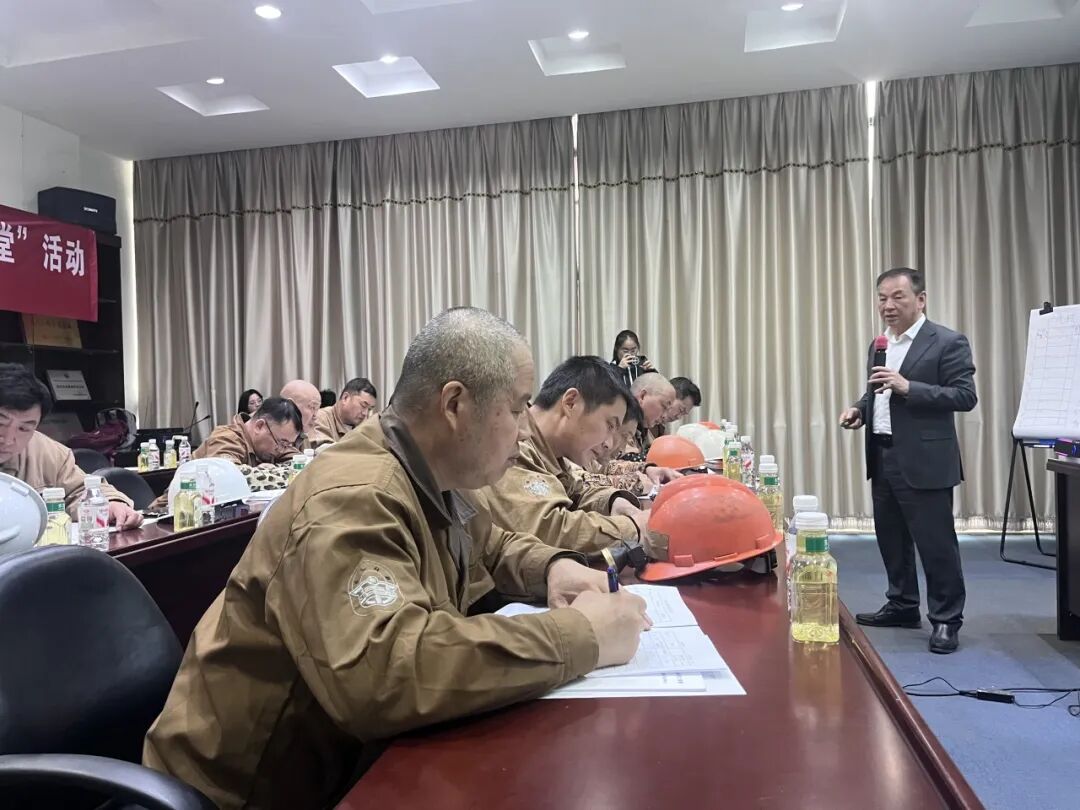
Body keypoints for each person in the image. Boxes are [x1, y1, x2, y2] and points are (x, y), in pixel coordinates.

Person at [144, 308, 649, 809]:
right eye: (517, 409)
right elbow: (386, 671)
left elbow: (491, 544)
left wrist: (554, 568)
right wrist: (581, 635)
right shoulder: (352, 496)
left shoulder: (433, 475)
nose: (522, 430)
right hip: (245, 795)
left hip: (348, 765)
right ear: (455, 405)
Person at [839, 267, 977, 655]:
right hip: (883, 454)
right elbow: (877, 393)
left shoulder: (947, 341)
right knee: (892, 538)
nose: (888, 305)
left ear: (921, 299)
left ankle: (946, 619)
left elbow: (965, 396)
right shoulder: (880, 344)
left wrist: (909, 387)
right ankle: (902, 605)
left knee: (936, 544)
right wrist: (859, 409)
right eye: (882, 298)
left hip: (926, 459)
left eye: (898, 296)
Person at [473, 356, 659, 561]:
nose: (608, 443)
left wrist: (612, 501)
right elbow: (549, 531)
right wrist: (634, 527)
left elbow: (578, 490)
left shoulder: (552, 454)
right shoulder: (513, 447)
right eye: (609, 425)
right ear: (571, 403)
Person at [0, 363, 142, 529]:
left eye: (24, 429)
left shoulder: (48, 453)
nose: (8, 440)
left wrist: (111, 504)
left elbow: (80, 490)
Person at [573, 398, 682, 496]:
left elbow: (604, 467)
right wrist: (635, 482)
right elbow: (578, 484)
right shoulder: (571, 452)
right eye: (624, 436)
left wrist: (646, 469)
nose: (608, 443)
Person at [193, 397, 303, 466]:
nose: (282, 450)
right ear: (259, 426)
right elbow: (227, 476)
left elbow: (301, 464)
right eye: (282, 443)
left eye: (287, 445)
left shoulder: (276, 442)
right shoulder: (226, 438)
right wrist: (267, 472)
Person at [619, 373, 677, 461]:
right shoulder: (622, 419)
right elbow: (624, 459)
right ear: (643, 396)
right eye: (664, 406)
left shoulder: (644, 425)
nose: (664, 416)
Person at [311, 377, 378, 448]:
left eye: (369, 409)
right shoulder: (320, 418)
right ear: (345, 398)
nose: (365, 413)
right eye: (363, 405)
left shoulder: (362, 426)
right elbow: (324, 451)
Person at [277, 379, 322, 457]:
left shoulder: (302, 435)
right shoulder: (271, 435)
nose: (315, 416)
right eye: (312, 407)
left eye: (317, 409)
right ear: (290, 404)